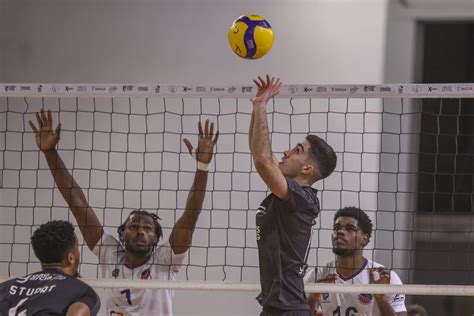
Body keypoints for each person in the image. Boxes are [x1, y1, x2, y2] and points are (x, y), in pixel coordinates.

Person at [28, 109, 218, 316]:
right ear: (122, 234)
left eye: (147, 228)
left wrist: (203, 166)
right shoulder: (109, 252)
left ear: (156, 238)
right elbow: (77, 203)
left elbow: (190, 217)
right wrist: (50, 153)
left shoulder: (165, 259)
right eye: (133, 227)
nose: (140, 231)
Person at [249, 75, 337, 316]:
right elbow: (258, 152)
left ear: (307, 169)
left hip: (288, 310)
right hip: (276, 307)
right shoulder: (286, 194)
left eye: (297, 150)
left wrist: (262, 106)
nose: (286, 152)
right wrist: (257, 106)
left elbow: (262, 160)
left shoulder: (302, 199)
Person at [307, 206, 407, 316]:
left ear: (364, 239)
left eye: (350, 228)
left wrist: (381, 298)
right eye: (336, 228)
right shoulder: (317, 275)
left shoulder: (384, 277)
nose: (340, 232)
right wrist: (313, 298)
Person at [0, 220, 100, 315]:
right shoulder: (81, 291)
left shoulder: (6, 287)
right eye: (77, 248)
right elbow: (78, 312)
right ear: (71, 258)